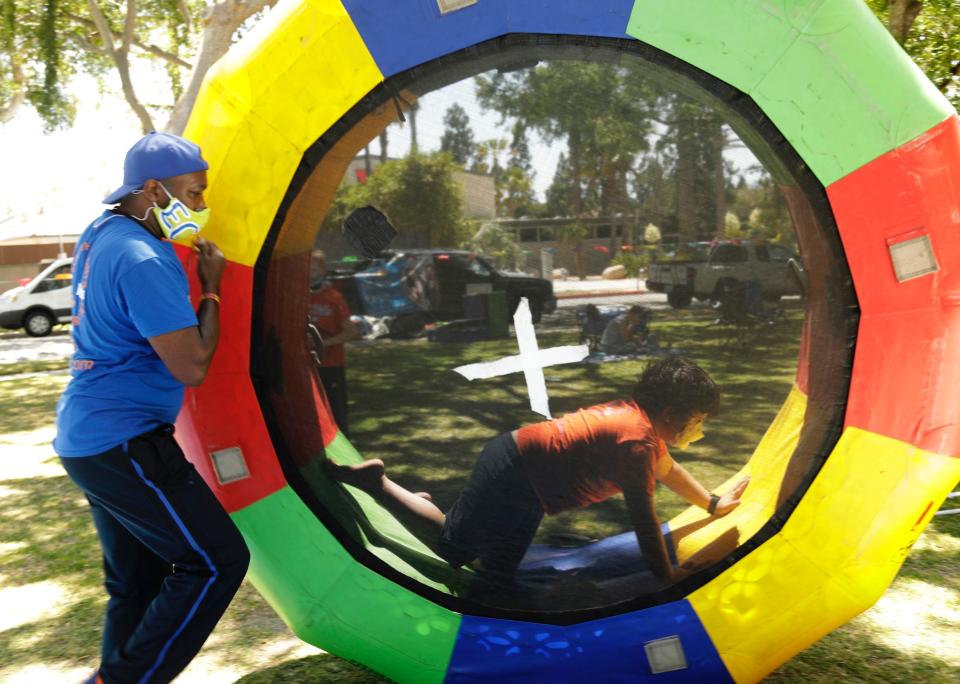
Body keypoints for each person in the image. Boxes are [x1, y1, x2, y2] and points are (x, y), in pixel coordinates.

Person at [54, 131, 250, 684]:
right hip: (127, 442)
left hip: (86, 437)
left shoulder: (100, 233)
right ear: (151, 192)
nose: (202, 206)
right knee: (215, 562)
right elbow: (190, 365)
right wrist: (211, 289)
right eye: (193, 193)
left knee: (135, 583)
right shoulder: (144, 258)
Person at [327, 356, 749, 588]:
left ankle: (425, 507)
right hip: (516, 476)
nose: (699, 430)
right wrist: (667, 576)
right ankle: (378, 484)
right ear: (672, 414)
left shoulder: (640, 427)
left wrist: (711, 503)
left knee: (490, 563)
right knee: (460, 556)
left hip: (523, 475)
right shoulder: (636, 443)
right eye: (696, 420)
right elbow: (644, 520)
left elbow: (670, 471)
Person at [308, 249, 359, 435]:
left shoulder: (334, 297)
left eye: (313, 269)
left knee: (335, 411)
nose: (309, 273)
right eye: (306, 269)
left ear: (322, 270)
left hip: (331, 364)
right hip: (306, 366)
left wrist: (322, 343)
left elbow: (351, 332)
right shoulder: (299, 296)